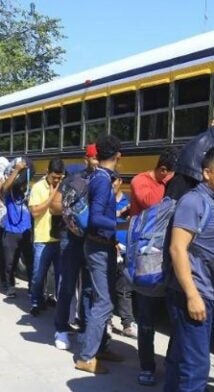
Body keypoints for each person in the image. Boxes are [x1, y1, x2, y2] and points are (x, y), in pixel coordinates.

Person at [164, 146, 214, 391]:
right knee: (196, 368)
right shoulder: (194, 201)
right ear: (207, 173)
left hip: (204, 290)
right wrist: (192, 295)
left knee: (180, 360)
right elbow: (177, 248)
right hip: (193, 292)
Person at [75, 135, 125, 374]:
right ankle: (86, 356)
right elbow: (96, 218)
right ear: (118, 155)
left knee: (106, 300)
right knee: (103, 301)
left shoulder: (100, 177)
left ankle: (100, 347)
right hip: (97, 246)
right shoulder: (103, 180)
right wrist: (120, 225)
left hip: (101, 244)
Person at [128, 149, 178, 386]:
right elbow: (151, 203)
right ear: (163, 170)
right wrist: (173, 189)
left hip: (169, 257)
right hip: (146, 259)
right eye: (171, 177)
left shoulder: (171, 184)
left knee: (175, 319)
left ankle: (170, 363)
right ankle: (147, 366)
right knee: (146, 319)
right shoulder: (140, 181)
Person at [51, 145, 98, 351]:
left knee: (88, 288)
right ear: (86, 158)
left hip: (93, 240)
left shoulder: (104, 180)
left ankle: (85, 329)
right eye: (94, 158)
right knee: (67, 285)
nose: (97, 161)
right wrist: (75, 210)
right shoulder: (71, 179)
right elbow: (54, 207)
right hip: (70, 239)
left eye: (99, 158)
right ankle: (61, 328)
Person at [28, 158, 64, 316]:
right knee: (38, 274)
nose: (56, 180)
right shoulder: (37, 187)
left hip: (60, 239)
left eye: (59, 177)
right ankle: (36, 302)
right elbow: (34, 211)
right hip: (42, 239)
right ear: (47, 173)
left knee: (60, 276)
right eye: (53, 177)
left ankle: (59, 304)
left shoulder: (65, 186)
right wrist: (51, 198)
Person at [0, 159, 32, 296]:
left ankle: (33, 288)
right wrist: (17, 170)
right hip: (11, 231)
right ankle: (10, 286)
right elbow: (4, 188)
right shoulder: (9, 193)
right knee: (10, 263)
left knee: (30, 262)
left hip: (27, 231)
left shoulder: (29, 191)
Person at [111, 176, 136, 338]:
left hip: (126, 250)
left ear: (120, 182)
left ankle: (127, 323)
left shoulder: (128, 203)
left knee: (125, 288)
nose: (112, 185)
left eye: (114, 182)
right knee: (105, 288)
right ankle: (106, 321)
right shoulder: (104, 202)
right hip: (110, 248)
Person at [129, 147, 177, 216]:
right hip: (142, 226)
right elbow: (150, 203)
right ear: (163, 170)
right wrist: (168, 180)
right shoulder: (139, 180)